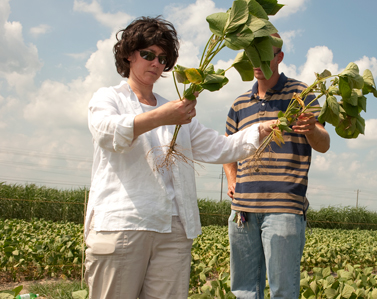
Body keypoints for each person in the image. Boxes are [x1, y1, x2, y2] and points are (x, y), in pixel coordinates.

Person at [85, 16, 273, 299]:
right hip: (124, 223)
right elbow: (107, 133)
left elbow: (219, 148)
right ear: (128, 55)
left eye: (162, 59)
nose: (156, 63)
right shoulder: (109, 98)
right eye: (147, 54)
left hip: (174, 228)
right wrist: (164, 116)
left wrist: (264, 130)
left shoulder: (177, 110)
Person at [223, 33, 330, 299]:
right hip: (243, 210)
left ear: (279, 57)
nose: (257, 62)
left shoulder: (300, 95)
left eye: (265, 55)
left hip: (283, 207)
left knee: (283, 291)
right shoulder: (239, 104)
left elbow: (324, 142)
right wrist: (232, 178)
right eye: (253, 55)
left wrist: (310, 130)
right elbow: (227, 147)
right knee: (245, 290)